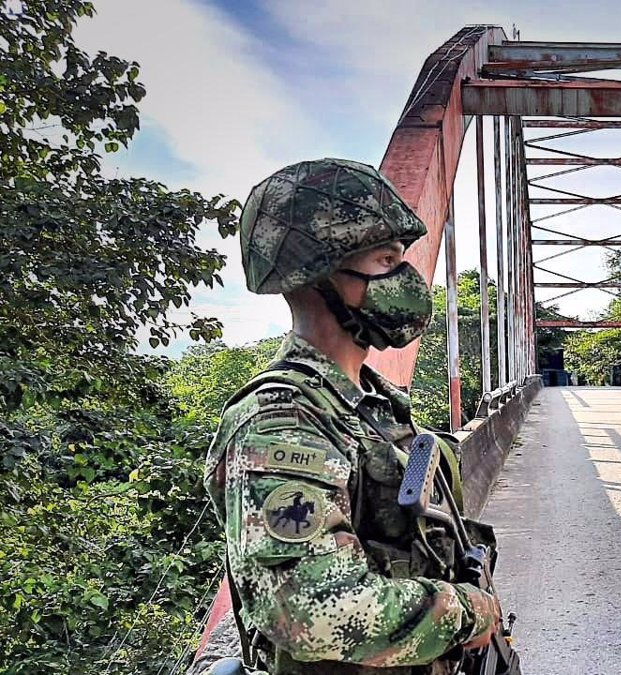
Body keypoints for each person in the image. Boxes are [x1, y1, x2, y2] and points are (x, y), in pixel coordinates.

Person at [201, 158, 500, 675]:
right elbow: (313, 612)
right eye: (386, 260)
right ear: (318, 277)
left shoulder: (370, 403)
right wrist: (469, 614)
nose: (406, 278)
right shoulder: (281, 422)